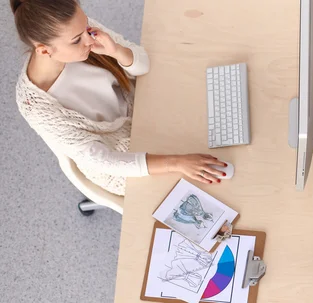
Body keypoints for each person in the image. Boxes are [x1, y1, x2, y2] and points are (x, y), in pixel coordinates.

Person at [12, 0, 227, 196]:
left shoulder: (81, 32)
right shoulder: (34, 105)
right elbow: (103, 160)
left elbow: (143, 65)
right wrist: (176, 163)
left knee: (222, 130)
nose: (88, 40)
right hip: (123, 159)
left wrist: (116, 51)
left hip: (144, 108)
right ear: (43, 50)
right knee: (212, 185)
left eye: (86, 28)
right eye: (77, 40)